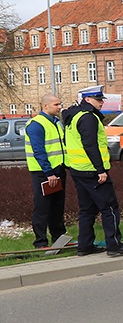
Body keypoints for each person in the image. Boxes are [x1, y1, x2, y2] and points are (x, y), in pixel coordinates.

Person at [62, 86, 123, 257]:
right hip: (92, 171)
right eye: (98, 100)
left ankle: (85, 246)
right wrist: (100, 170)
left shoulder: (73, 116)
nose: (102, 103)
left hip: (78, 170)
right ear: (87, 100)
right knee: (109, 208)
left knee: (87, 209)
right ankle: (114, 245)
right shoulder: (88, 118)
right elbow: (90, 145)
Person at [24, 94, 67, 248]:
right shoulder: (36, 125)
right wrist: (49, 173)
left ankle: (59, 238)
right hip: (43, 173)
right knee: (42, 208)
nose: (59, 107)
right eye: (56, 104)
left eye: (60, 104)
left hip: (58, 170)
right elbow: (39, 151)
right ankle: (40, 242)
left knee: (57, 207)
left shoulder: (56, 122)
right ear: (45, 106)